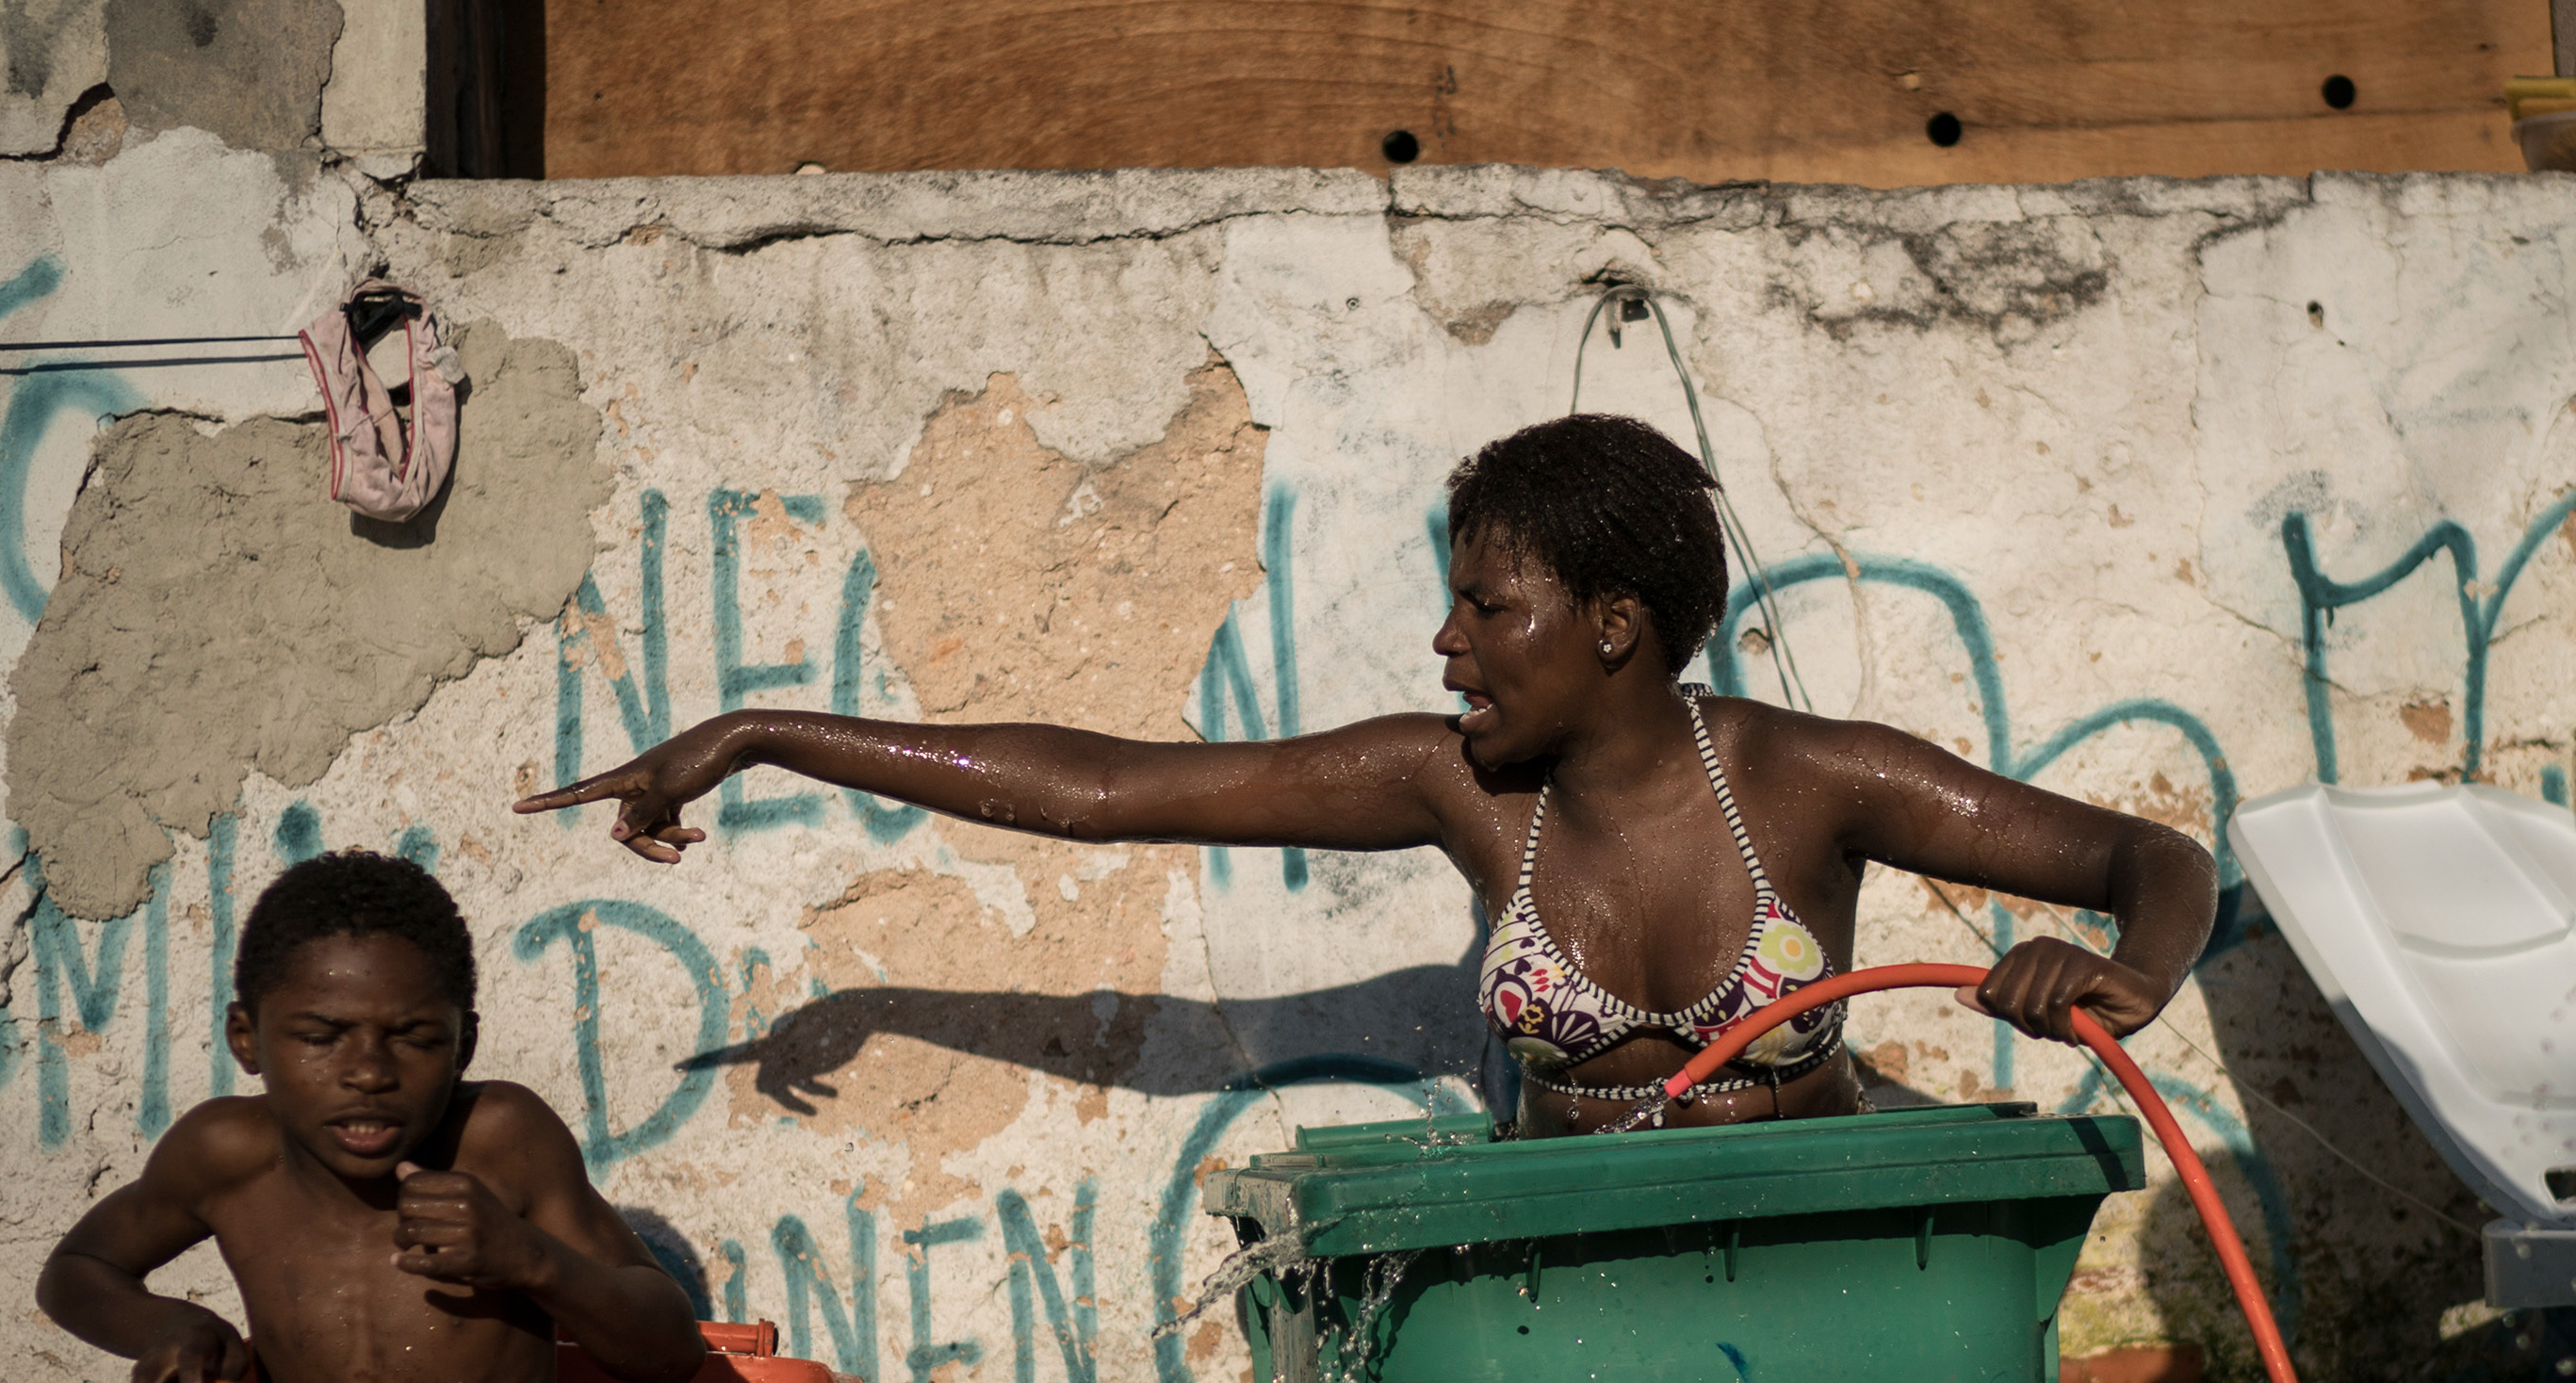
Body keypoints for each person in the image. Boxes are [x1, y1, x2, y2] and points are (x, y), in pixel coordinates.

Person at [519, 414, 2216, 1136]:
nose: (1448, 644)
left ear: (1616, 624)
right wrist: (767, 731)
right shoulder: (1458, 789)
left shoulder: (1818, 779)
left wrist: (2128, 966)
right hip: (1581, 1286)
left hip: (1820, 1275)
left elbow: (2152, 856)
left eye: (1492, 605)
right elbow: (1111, 789)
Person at [40, 851, 707, 1383]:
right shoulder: (226, 1156)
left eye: (414, 1038)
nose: (368, 1073)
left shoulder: (500, 1140)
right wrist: (176, 1325)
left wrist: (529, 1259)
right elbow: (77, 1269)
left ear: (462, 1044)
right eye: (322, 1036)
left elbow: (673, 1350)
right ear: (245, 1039)